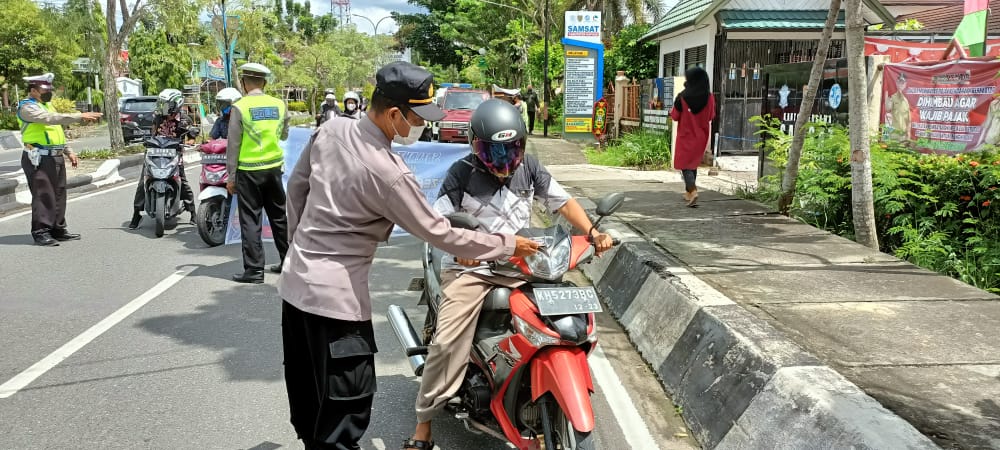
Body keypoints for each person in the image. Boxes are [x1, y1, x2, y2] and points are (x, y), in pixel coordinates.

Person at [278, 61, 540, 450]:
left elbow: (296, 193)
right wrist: (506, 244)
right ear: (396, 114)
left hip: (294, 290)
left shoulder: (329, 130)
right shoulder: (390, 173)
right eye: (419, 117)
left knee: (309, 396)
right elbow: (440, 233)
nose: (421, 126)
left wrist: (299, 251)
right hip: (338, 306)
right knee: (343, 413)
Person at [405, 99, 613, 449]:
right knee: (447, 343)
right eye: (494, 152)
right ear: (475, 145)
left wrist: (593, 233)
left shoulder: (529, 167)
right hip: (474, 269)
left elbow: (561, 202)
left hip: (523, 264)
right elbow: (439, 222)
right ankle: (423, 425)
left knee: (559, 322)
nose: (504, 161)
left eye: (511, 150)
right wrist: (462, 249)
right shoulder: (461, 173)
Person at [16, 73, 102, 246]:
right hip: (38, 157)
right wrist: (79, 116)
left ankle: (57, 228)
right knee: (43, 194)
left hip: (55, 156)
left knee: (59, 193)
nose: (48, 93)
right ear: (33, 91)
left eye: (49, 90)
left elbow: (57, 132)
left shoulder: (47, 105)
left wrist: (68, 151)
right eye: (43, 90)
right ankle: (41, 231)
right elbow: (49, 119)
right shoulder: (27, 107)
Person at [226, 62, 291, 284]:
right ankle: (288, 263)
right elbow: (284, 134)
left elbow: (233, 144)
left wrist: (231, 177)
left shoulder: (239, 107)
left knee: (251, 220)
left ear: (244, 83)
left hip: (249, 171)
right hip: (273, 169)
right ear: (264, 82)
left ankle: (254, 271)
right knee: (279, 218)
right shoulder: (279, 104)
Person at [129, 88, 198, 229]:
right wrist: (147, 141)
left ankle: (193, 213)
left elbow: (191, 138)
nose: (163, 107)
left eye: (166, 104)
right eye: (162, 104)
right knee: (143, 182)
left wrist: (186, 144)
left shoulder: (185, 120)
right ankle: (136, 214)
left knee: (183, 181)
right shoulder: (158, 117)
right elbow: (153, 134)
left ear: (175, 105)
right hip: (154, 153)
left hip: (174, 155)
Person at [670, 67, 715, 207]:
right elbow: (711, 116)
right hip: (701, 136)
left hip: (686, 135)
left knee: (684, 165)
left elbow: (675, 116)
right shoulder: (710, 97)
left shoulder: (682, 97)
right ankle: (688, 193)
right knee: (692, 163)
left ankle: (693, 191)